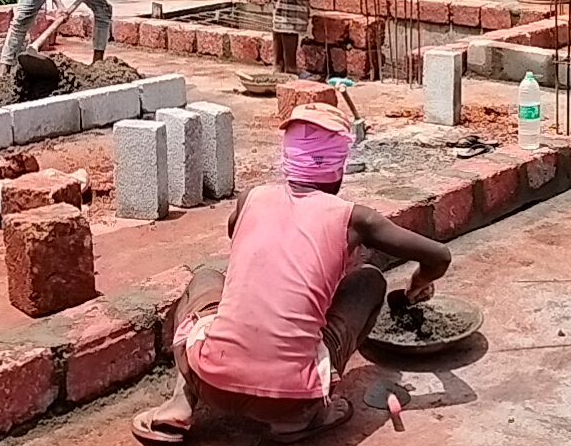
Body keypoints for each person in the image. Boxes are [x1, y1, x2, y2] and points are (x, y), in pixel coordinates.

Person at [131, 103, 452, 444]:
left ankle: (180, 404)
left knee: (206, 279)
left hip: (211, 383)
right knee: (369, 281)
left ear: (288, 160)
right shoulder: (356, 219)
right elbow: (440, 257)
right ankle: (305, 419)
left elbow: (238, 238)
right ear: (339, 169)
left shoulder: (251, 198)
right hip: (292, 399)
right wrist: (417, 284)